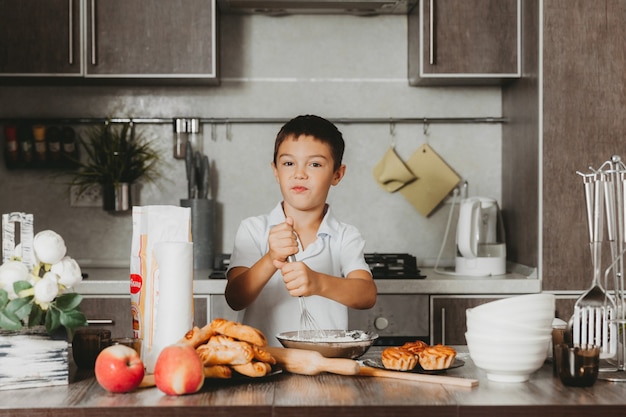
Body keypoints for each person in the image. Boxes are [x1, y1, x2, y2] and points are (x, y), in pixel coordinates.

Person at [225, 115, 377, 345]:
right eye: (288, 163)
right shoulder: (253, 229)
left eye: (314, 164)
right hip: (265, 363)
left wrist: (318, 283)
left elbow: (367, 294)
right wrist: (270, 258)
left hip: (323, 364)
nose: (300, 174)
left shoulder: (346, 235)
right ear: (275, 170)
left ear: (337, 174)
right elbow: (235, 297)